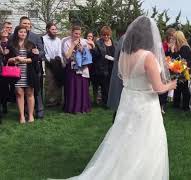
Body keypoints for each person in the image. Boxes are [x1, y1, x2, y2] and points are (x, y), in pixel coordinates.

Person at [51, 16, 176, 180]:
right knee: (147, 139)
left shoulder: (124, 54)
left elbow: (125, 78)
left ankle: (121, 167)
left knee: (125, 137)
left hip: (129, 99)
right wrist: (171, 85)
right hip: (145, 103)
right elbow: (159, 88)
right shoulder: (148, 57)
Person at [6, 25, 40, 123]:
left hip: (29, 73)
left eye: (25, 32)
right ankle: (21, 116)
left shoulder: (31, 44)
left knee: (30, 93)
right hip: (16, 73)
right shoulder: (11, 45)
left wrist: (22, 60)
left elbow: (35, 59)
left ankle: (30, 115)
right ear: (17, 33)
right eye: (21, 32)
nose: (23, 34)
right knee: (19, 94)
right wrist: (15, 59)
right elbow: (7, 59)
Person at [19, 16, 45, 119]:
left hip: (34, 68)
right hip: (20, 69)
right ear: (20, 24)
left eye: (29, 24)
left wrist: (38, 52)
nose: (27, 25)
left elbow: (43, 52)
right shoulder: (15, 37)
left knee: (36, 90)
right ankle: (26, 112)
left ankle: (39, 111)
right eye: (25, 23)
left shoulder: (36, 37)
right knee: (22, 91)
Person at [62, 25, 91, 113]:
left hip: (82, 67)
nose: (77, 35)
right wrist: (73, 45)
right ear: (72, 33)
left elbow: (88, 54)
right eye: (75, 33)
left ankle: (82, 107)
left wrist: (82, 49)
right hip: (71, 67)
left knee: (82, 87)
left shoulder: (84, 41)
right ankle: (72, 108)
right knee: (72, 87)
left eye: (79, 34)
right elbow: (67, 56)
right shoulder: (66, 42)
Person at [168, 31, 191, 111]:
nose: (174, 40)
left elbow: (179, 59)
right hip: (180, 70)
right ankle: (176, 104)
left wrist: (172, 52)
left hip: (183, 71)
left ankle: (185, 106)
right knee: (178, 88)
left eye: (175, 38)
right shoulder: (181, 47)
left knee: (184, 88)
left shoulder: (184, 47)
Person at [91, 26, 115, 106]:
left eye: (108, 35)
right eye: (104, 35)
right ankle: (105, 103)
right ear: (101, 35)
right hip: (102, 67)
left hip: (112, 66)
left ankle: (111, 101)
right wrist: (94, 49)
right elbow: (95, 56)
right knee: (104, 86)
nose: (106, 37)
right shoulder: (98, 43)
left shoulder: (114, 42)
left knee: (111, 85)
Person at [43, 22, 64, 107]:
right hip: (49, 62)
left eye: (55, 29)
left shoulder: (58, 40)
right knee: (50, 81)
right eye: (52, 29)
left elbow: (59, 51)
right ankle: (50, 101)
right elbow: (44, 52)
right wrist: (49, 60)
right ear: (48, 30)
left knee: (58, 81)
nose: (55, 31)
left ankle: (58, 100)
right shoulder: (43, 39)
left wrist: (58, 58)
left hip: (57, 62)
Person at [160, 27, 176, 113]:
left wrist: (172, 49)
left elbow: (173, 56)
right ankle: (160, 106)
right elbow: (163, 55)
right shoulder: (164, 44)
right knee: (163, 87)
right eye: (173, 36)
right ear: (169, 36)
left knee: (167, 88)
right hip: (163, 68)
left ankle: (163, 106)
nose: (174, 38)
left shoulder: (173, 45)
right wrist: (169, 49)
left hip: (170, 68)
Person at [0, 30, 10, 117]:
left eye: (5, 31)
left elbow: (5, 53)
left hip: (8, 66)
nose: (4, 32)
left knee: (5, 87)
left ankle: (5, 105)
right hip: (1, 66)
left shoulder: (10, 42)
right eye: (2, 31)